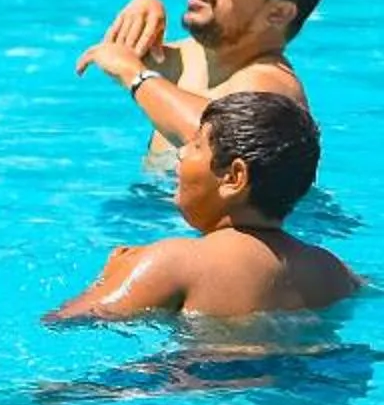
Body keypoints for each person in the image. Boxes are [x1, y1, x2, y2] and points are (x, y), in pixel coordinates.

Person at [51, 93, 358, 322]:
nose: (182, 154)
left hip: (198, 383)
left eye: (197, 144)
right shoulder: (334, 271)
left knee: (50, 399)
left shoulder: (174, 261)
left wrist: (111, 276)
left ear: (234, 177)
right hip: (315, 378)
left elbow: (64, 321)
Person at [77, 0, 321, 156]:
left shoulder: (272, 86)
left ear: (278, 12)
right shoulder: (192, 60)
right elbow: (115, 54)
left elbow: (217, 140)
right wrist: (145, 5)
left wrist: (135, 75)